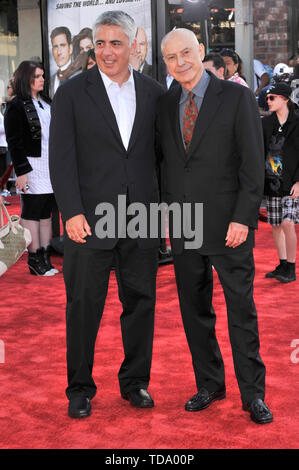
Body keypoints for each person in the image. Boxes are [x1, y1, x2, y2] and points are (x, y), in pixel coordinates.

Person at [49, 10, 164, 419]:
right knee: (83, 308)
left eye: (116, 43)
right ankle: (79, 388)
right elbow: (61, 161)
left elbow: (161, 158)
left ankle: (135, 382)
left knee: (141, 305)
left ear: (133, 46)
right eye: (100, 43)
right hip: (89, 222)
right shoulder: (72, 93)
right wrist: (72, 213)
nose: (107, 51)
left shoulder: (154, 92)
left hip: (142, 222)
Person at [156, 28, 273, 424]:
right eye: (171, 57)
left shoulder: (236, 96)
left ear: (201, 51)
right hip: (185, 227)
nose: (179, 62)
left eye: (186, 52)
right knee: (195, 311)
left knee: (241, 310)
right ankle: (210, 383)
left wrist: (243, 217)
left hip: (230, 227)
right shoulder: (165, 101)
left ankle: (253, 394)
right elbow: (165, 164)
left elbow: (251, 163)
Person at [4, 61, 58, 276]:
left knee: (46, 214)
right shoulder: (16, 105)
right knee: (32, 213)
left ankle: (45, 256)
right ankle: (35, 260)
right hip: (31, 167)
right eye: (38, 76)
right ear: (26, 78)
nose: (42, 79)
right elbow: (14, 142)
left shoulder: (46, 102)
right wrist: (22, 172)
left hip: (49, 165)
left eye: (43, 75)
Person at [262, 82, 299, 283]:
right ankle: (282, 264)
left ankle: (291, 267)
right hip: (271, 182)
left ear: (284, 99)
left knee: (287, 223)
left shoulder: (297, 122)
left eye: (272, 97)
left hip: (291, 183)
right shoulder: (265, 124)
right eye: (267, 98)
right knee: (276, 225)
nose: (268, 101)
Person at [50, 26, 77, 97]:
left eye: (62, 45)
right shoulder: (50, 81)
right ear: (52, 51)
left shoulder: (80, 76)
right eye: (55, 47)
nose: (59, 52)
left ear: (70, 48)